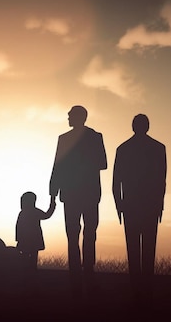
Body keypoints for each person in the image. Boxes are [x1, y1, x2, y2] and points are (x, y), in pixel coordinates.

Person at [49, 105, 107, 295]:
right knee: (82, 235)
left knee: (81, 235)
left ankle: (81, 277)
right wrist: (53, 193)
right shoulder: (88, 137)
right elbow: (57, 167)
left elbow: (102, 163)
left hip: (78, 194)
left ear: (78, 117)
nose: (67, 117)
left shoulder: (74, 138)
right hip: (84, 193)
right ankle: (82, 276)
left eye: (70, 115)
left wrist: (53, 194)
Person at [112, 114, 166, 306]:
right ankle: (145, 291)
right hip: (145, 206)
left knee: (134, 250)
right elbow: (161, 182)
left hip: (133, 207)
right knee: (145, 250)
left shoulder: (123, 148)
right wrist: (159, 204)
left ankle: (138, 291)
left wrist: (119, 205)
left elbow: (115, 182)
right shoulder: (158, 148)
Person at [15, 191, 56, 274]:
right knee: (31, 258)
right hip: (31, 240)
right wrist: (52, 205)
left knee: (28, 258)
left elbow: (18, 227)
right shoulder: (33, 212)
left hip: (27, 240)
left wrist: (18, 239)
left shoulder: (24, 213)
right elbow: (46, 215)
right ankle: (30, 272)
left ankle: (29, 273)